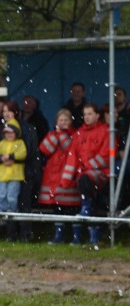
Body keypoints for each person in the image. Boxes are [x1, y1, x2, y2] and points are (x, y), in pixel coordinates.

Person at [61, 103, 112, 246]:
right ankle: (91, 237)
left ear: (97, 115)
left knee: (87, 187)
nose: (87, 117)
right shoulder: (79, 134)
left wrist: (88, 166)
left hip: (102, 173)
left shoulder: (106, 131)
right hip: (83, 175)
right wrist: (65, 180)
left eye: (90, 114)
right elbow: (72, 156)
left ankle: (86, 209)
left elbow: (107, 154)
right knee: (85, 192)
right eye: (85, 114)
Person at [38, 108, 79, 244]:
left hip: (67, 173)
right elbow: (45, 149)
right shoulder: (52, 134)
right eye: (60, 120)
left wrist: (60, 134)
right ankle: (59, 236)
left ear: (71, 121)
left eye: (66, 120)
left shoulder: (75, 134)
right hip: (53, 174)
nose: (63, 122)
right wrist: (56, 134)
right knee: (57, 207)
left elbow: (68, 147)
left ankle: (75, 237)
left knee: (71, 206)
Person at [2, 99, 39, 242]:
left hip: (25, 172)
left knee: (24, 203)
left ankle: (25, 234)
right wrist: (1, 158)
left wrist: (13, 157)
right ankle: (10, 234)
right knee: (10, 204)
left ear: (16, 113)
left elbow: (30, 151)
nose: (6, 114)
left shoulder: (28, 129)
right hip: (7, 172)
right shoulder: (2, 128)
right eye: (4, 111)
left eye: (9, 111)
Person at [0, 119, 27, 242]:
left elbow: (22, 153)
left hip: (15, 175)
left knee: (12, 196)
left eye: (11, 133)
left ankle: (12, 212)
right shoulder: (1, 143)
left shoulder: (20, 142)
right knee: (2, 195)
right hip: (2, 175)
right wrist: (1, 159)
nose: (9, 135)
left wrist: (11, 157)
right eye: (7, 133)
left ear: (16, 133)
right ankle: (2, 215)